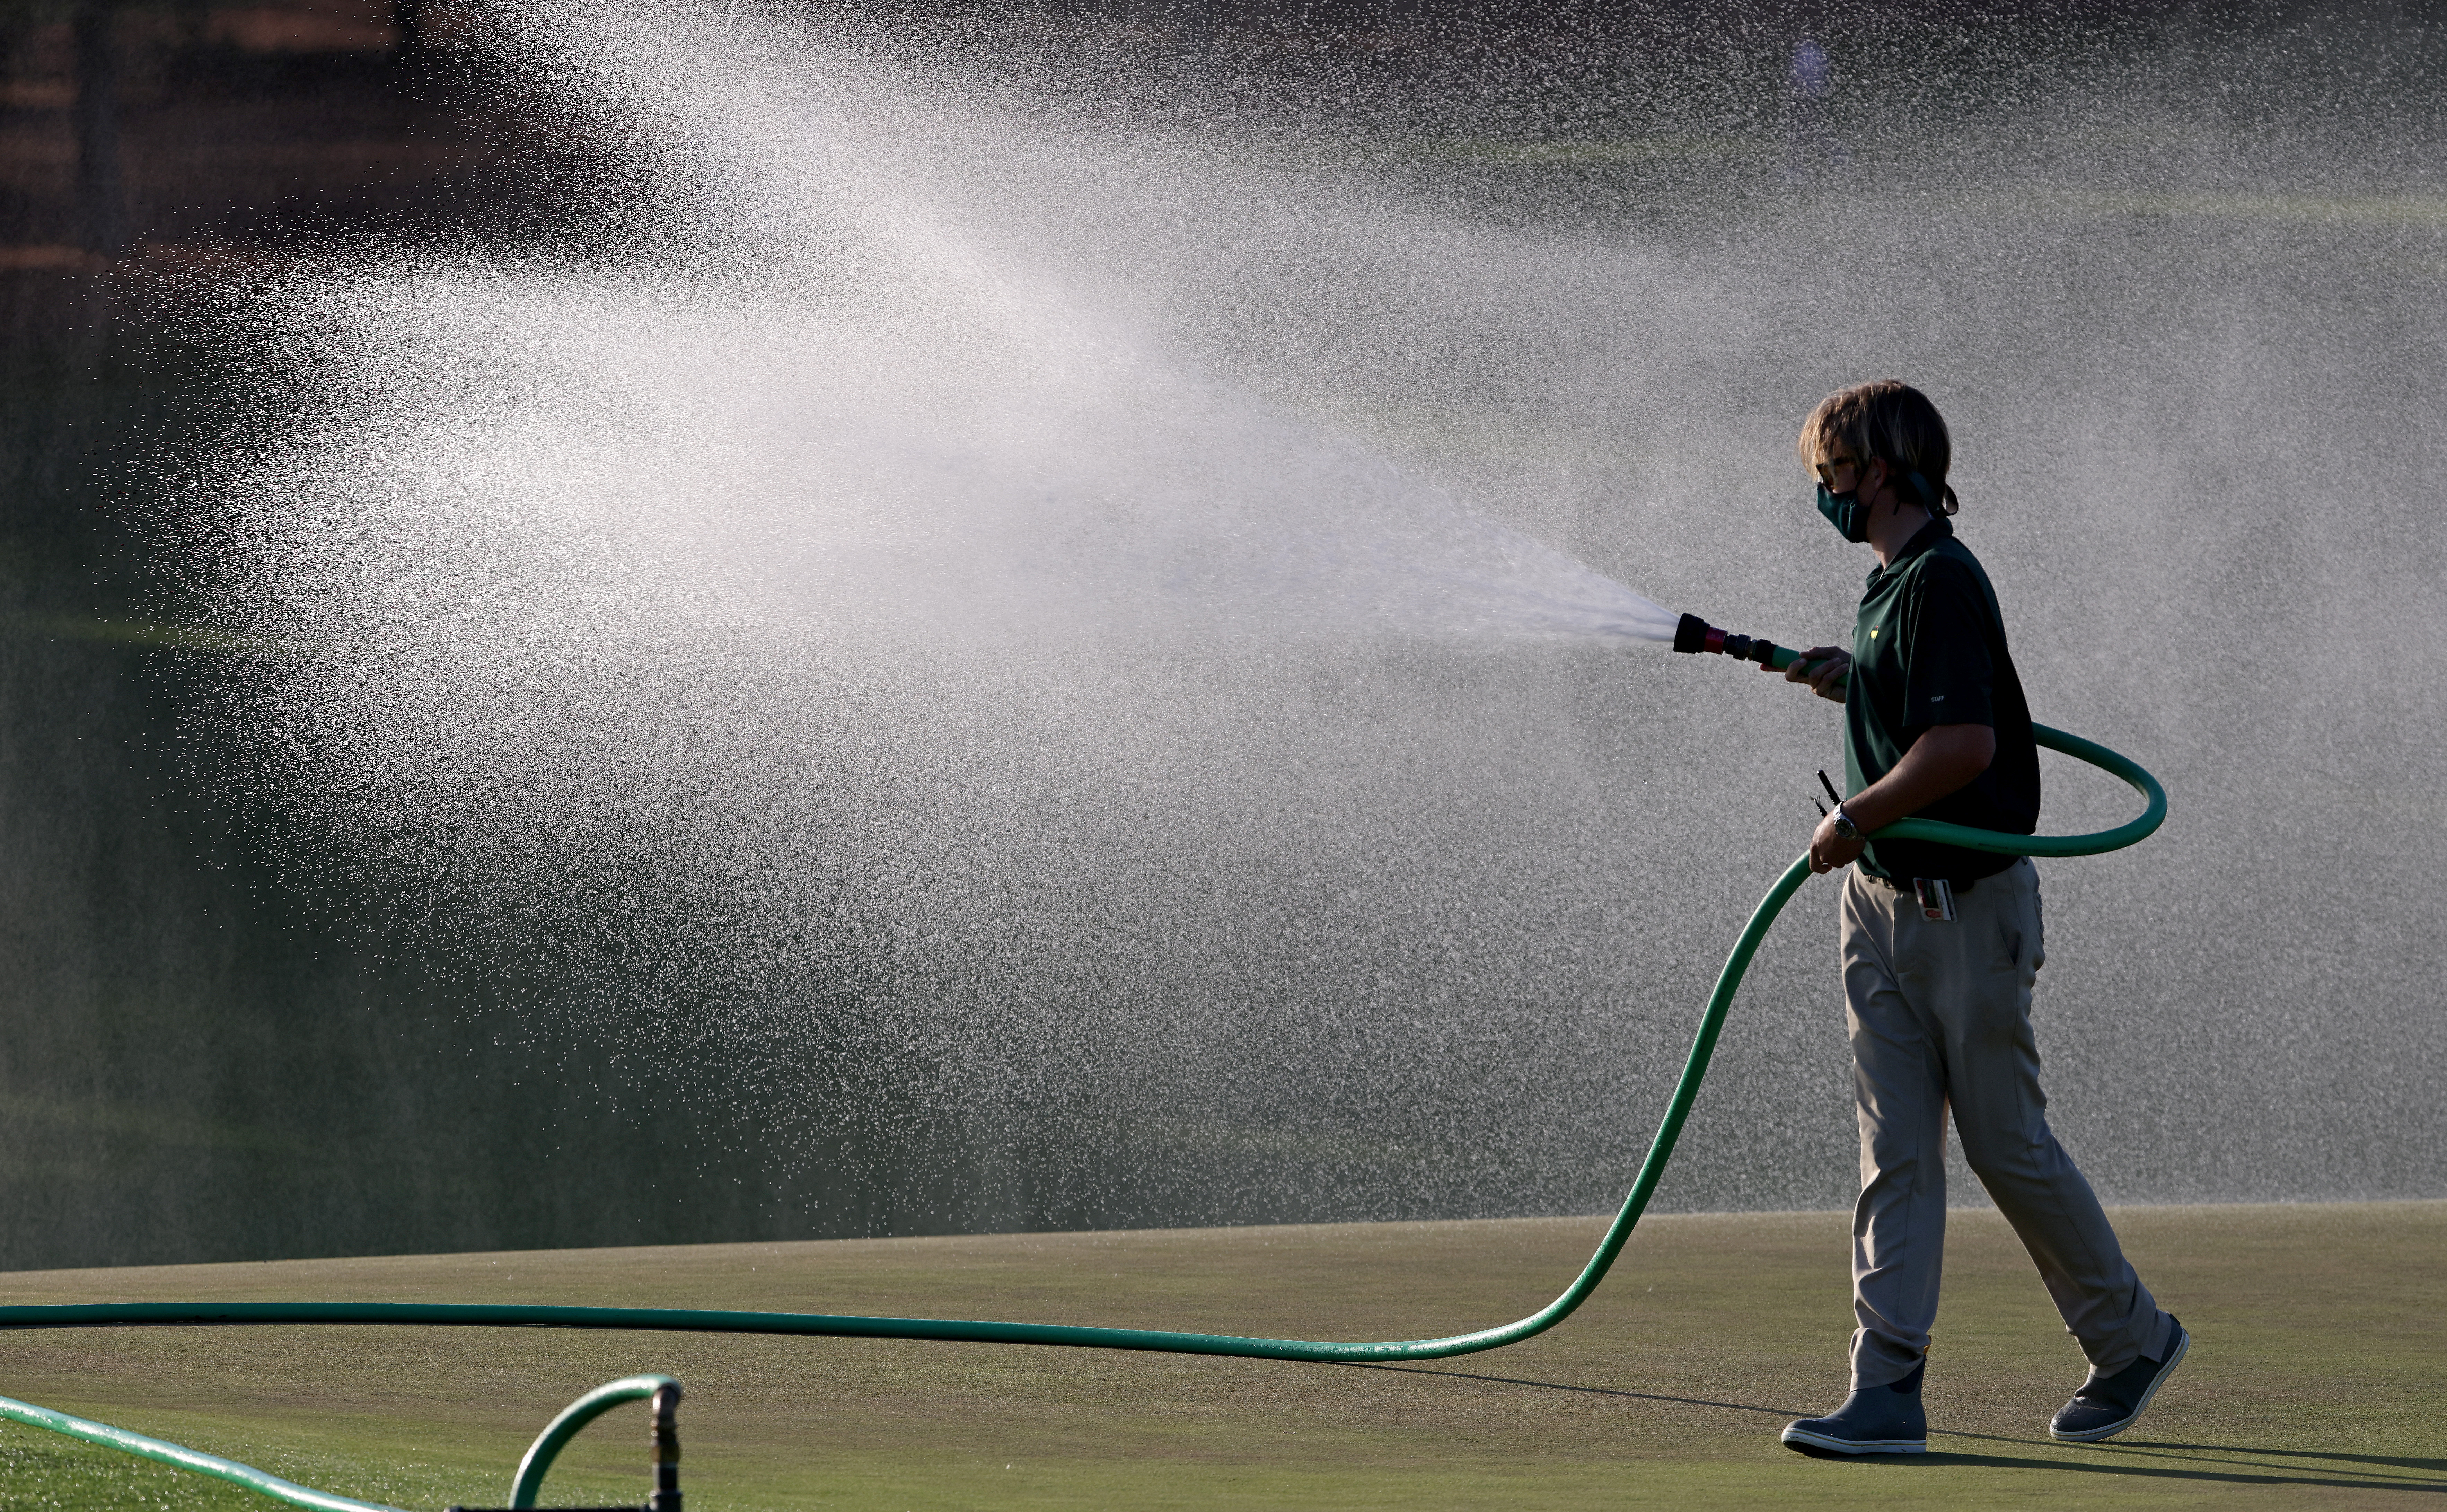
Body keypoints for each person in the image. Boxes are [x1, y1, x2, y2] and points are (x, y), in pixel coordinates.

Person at [1768, 380, 2185, 1456]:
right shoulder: (1891, 588)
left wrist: (1852, 815)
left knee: (2005, 1143)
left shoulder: (1943, 579)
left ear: (1883, 470)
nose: (1825, 491)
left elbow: (1963, 748)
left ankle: (2132, 1339)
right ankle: (1886, 1389)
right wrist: (1859, 681)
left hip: (1966, 910)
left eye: (1834, 472)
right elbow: (1922, 709)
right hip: (1882, 906)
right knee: (1895, 1151)